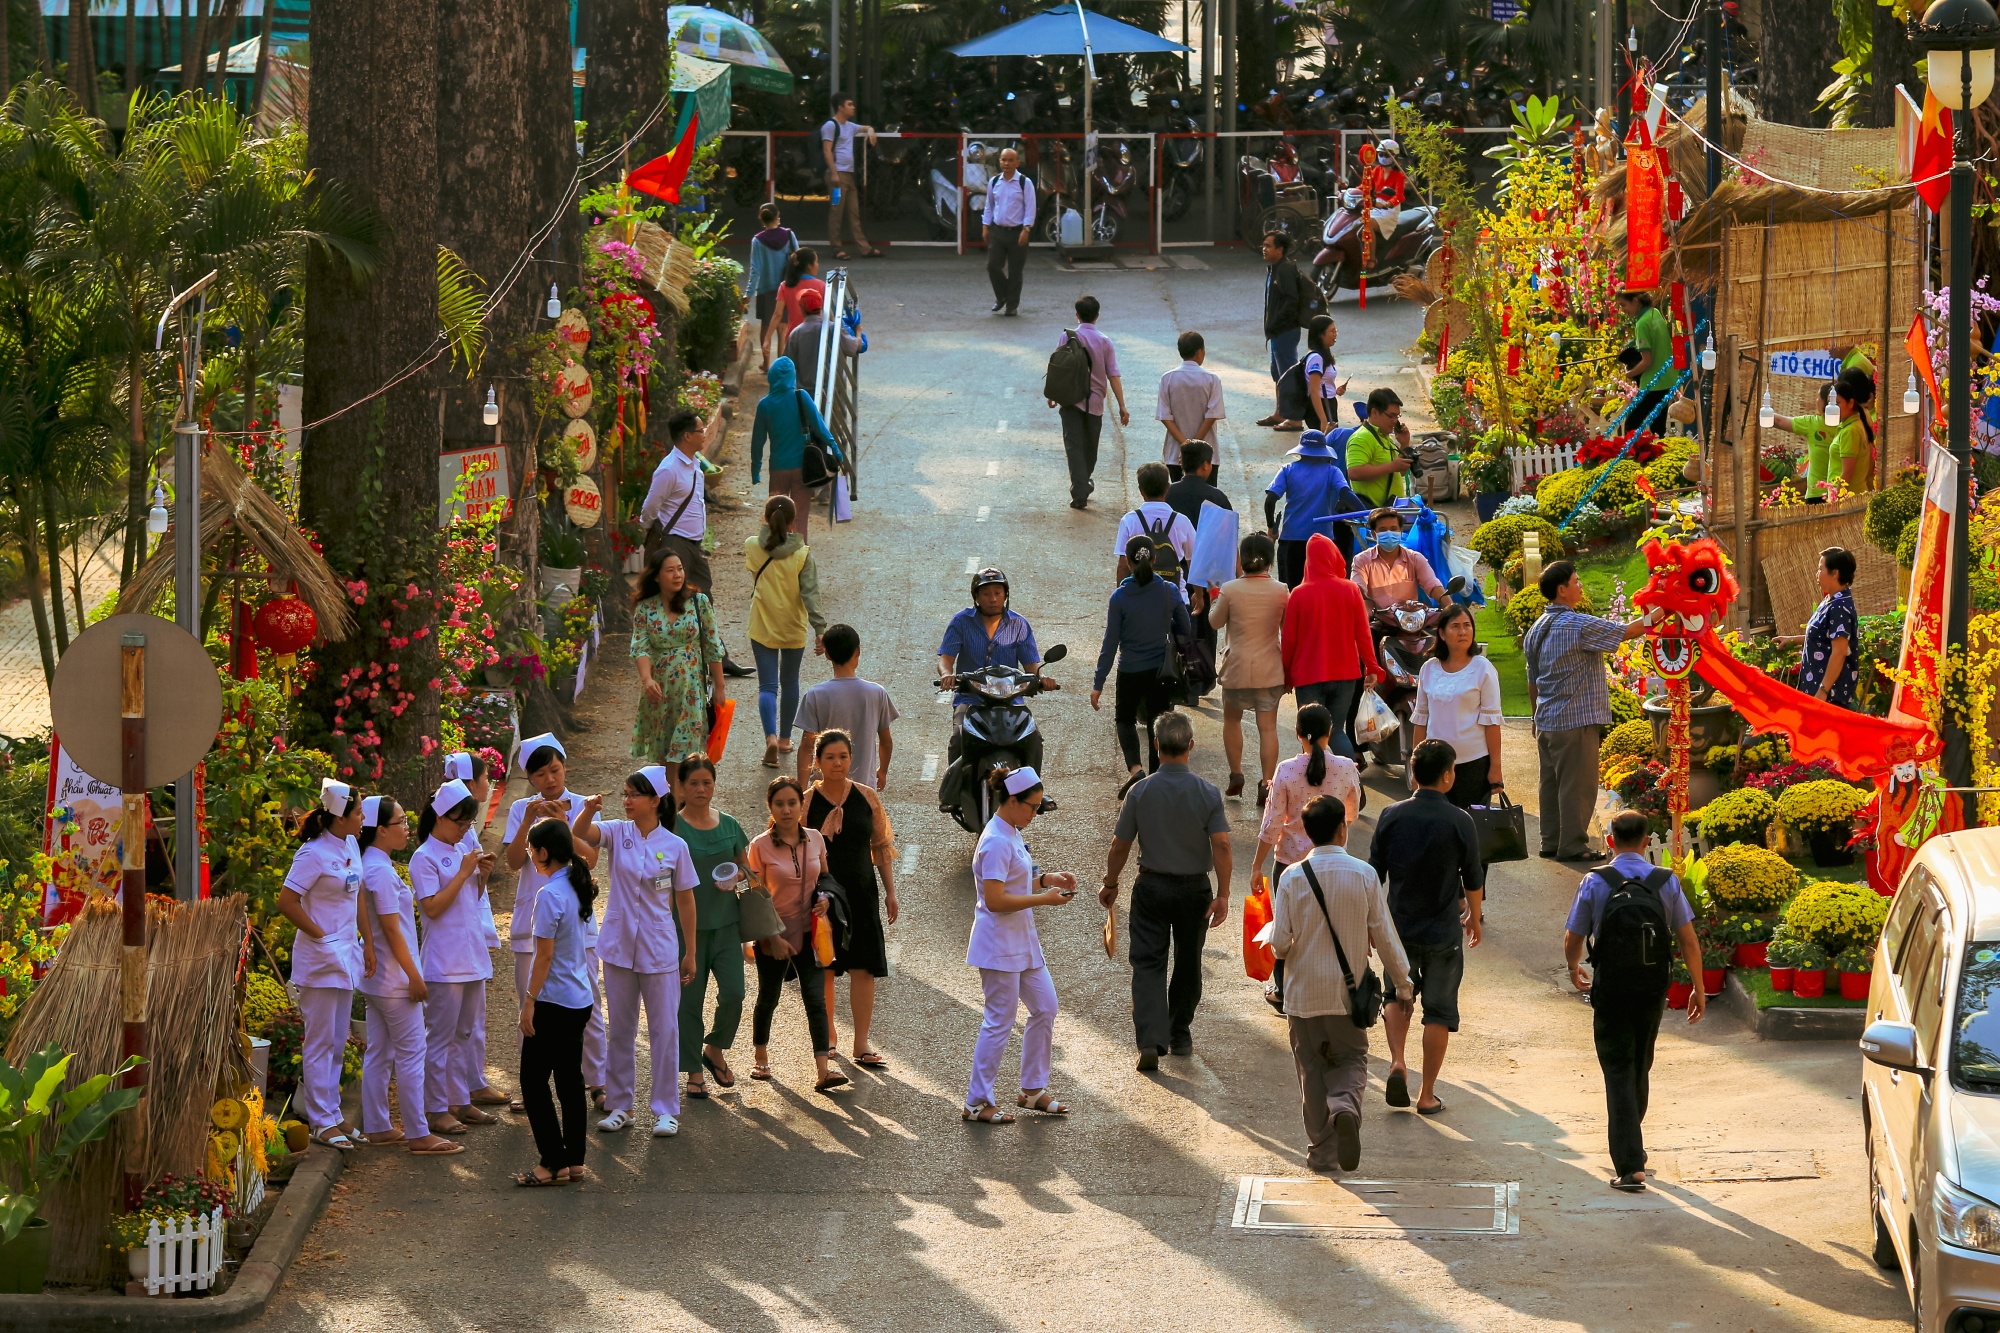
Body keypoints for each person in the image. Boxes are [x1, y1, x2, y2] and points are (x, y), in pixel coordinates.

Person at [1562, 810, 1706, 1192]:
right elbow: (1688, 939)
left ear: (1610, 840)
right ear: (1646, 842)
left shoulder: (1596, 881)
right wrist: (1698, 986)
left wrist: (1573, 966)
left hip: (1611, 985)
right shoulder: (1665, 881)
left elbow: (1574, 935)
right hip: (1652, 984)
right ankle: (1635, 1150)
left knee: (1618, 1067)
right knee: (1640, 1060)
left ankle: (1630, 1166)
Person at [1267, 795, 1413, 1172]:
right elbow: (1384, 936)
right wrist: (1403, 984)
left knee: (1311, 1069)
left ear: (1308, 833)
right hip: (1349, 996)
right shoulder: (1363, 874)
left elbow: (1280, 943)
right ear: (1342, 829)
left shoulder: (1291, 877)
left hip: (1303, 996)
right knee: (1350, 1059)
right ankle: (1345, 1107)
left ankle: (1321, 1151)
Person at [1100, 712, 1231, 1069]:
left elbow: (1119, 846)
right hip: (1195, 891)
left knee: (1147, 963)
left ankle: (1151, 1040)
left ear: (1155, 745)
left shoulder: (1140, 791)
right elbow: (1221, 845)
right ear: (1191, 745)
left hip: (1151, 886)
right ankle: (1180, 1033)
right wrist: (1223, 894)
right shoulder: (1207, 792)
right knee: (1189, 961)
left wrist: (1110, 884)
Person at [573, 766, 699, 1138]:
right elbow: (580, 834)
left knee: (664, 1029)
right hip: (618, 947)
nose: (626, 801)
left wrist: (690, 952)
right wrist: (588, 809)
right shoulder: (617, 832)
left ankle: (664, 1109)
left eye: (633, 795)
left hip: (660, 950)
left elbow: (687, 901)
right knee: (621, 1030)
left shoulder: (676, 846)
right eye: (624, 794)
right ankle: (620, 1106)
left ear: (655, 801)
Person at [1368, 738, 1483, 1118]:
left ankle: (1398, 1061)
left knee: (1397, 994)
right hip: (1442, 931)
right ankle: (1427, 1093)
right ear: (1448, 776)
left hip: (1398, 926)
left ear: (1413, 775)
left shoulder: (1391, 816)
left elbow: (1374, 874)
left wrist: (1373, 924)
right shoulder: (1460, 821)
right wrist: (1475, 917)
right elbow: (1473, 877)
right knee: (1438, 1011)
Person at [963, 766, 1079, 1124]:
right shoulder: (997, 840)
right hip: (999, 945)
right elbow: (996, 899)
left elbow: (1016, 878)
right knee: (999, 1021)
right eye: (1032, 807)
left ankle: (1032, 1091)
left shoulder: (1010, 830)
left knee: (1045, 1006)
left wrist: (1044, 878)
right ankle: (977, 1102)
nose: (1035, 814)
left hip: (1022, 943)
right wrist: (1044, 898)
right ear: (1012, 801)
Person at [1523, 561, 1655, 861]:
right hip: (1576, 720)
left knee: (1551, 783)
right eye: (1575, 580)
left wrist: (1534, 715)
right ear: (1562, 590)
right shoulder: (1577, 624)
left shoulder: (1536, 628)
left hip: (1547, 720)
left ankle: (1550, 841)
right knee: (1577, 787)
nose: (1580, 585)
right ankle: (1572, 846)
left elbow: (1532, 678)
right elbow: (1628, 631)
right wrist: (1666, 609)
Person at [503, 736, 603, 1112]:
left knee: (587, 1001)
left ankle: (596, 1080)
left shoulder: (580, 805)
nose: (550, 779)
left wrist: (565, 826)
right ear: (530, 778)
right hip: (534, 921)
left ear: (565, 766)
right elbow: (514, 862)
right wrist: (530, 820)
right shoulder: (519, 809)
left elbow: (590, 860)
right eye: (541, 774)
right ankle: (531, 1085)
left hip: (577, 923)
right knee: (530, 1007)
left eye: (555, 770)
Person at [357, 798, 461, 1154]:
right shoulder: (381, 872)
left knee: (380, 1052)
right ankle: (419, 1132)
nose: (406, 827)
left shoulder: (371, 865)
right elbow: (392, 929)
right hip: (394, 979)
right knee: (412, 1053)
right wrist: (414, 976)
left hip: (378, 979)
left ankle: (377, 1125)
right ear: (381, 830)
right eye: (400, 821)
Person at [280, 780, 369, 1151]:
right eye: (359, 812)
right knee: (319, 1040)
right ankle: (319, 1121)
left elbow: (357, 894)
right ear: (341, 816)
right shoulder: (312, 854)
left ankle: (332, 1113)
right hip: (320, 960)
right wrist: (323, 936)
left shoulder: (349, 844)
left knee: (336, 1039)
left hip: (347, 956)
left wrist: (370, 943)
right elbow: (286, 902)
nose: (364, 818)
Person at [744, 777, 847, 1094]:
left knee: (816, 1000)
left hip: (811, 935)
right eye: (780, 804)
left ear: (801, 805)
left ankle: (823, 1072)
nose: (787, 809)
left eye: (792, 803)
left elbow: (827, 878)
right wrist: (772, 937)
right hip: (773, 936)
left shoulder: (816, 839)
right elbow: (755, 896)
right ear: (770, 807)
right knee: (769, 998)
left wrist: (826, 899)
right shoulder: (759, 846)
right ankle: (760, 1056)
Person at [807, 730, 899, 1066]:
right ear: (817, 762)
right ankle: (829, 1037)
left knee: (864, 968)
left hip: (862, 894)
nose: (837, 763)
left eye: (843, 757)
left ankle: (862, 1043)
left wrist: (890, 893)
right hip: (823, 898)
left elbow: (881, 847)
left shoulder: (867, 797)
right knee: (827, 967)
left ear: (851, 759)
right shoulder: (804, 801)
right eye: (829, 757)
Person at [514, 817, 598, 1187]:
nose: (531, 856)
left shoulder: (548, 894)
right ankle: (574, 1161)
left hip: (553, 1000)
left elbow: (542, 956)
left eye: (533, 850)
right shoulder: (578, 884)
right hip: (579, 998)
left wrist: (529, 1001)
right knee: (568, 1079)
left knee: (532, 1081)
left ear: (544, 852)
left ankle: (552, 1162)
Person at [414, 780, 498, 1137]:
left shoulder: (463, 846)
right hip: (444, 960)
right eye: (460, 823)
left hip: (471, 953)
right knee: (441, 1037)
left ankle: (460, 1099)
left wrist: (481, 878)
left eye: (468, 825)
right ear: (439, 817)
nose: (465, 831)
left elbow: (470, 899)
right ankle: (435, 1108)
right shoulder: (424, 856)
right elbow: (432, 908)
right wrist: (464, 872)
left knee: (465, 1032)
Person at [674, 755, 751, 1100]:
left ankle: (715, 1048)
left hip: (726, 926)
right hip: (685, 930)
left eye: (707, 782)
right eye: (693, 783)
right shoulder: (672, 829)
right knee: (688, 1002)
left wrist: (738, 881)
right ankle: (693, 1071)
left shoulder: (730, 826)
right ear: (681, 787)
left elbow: (750, 879)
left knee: (735, 993)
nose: (701, 789)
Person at [1093, 534, 1195, 789]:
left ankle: (1135, 769)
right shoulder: (1168, 591)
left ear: (1128, 562)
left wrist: (1098, 682)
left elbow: (1110, 643)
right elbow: (1185, 627)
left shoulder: (1120, 597)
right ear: (1155, 558)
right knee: (1156, 723)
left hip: (1130, 670)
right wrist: (1163, 624)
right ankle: (1155, 779)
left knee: (1125, 719)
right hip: (1161, 671)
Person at [440, 751, 509, 1112]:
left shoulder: (464, 830)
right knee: (454, 1026)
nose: (489, 785)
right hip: (453, 943)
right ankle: (457, 1092)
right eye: (485, 779)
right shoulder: (444, 840)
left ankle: (471, 1082)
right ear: (468, 785)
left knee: (470, 1019)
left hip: (469, 931)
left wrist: (481, 874)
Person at [937, 567, 1053, 781]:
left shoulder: (1019, 624)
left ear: (1005, 595)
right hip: (971, 698)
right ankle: (954, 789)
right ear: (976, 597)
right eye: (986, 593)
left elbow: (1031, 666)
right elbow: (946, 658)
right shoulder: (961, 622)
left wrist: (1041, 680)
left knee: (1034, 738)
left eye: (998, 593)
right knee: (958, 737)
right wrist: (947, 674)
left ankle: (1033, 789)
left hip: (1011, 700)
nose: (993, 599)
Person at [631, 551, 727, 802]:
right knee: (664, 754)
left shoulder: (698, 602)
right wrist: (647, 679)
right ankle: (669, 806)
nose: (677, 575)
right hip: (660, 692)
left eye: (680, 568)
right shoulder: (645, 608)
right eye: (670, 570)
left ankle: (680, 806)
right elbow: (640, 647)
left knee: (684, 753)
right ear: (656, 576)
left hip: (691, 690)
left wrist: (719, 685)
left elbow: (712, 645)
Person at [1281, 533, 1380, 768]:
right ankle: (1349, 781)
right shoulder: (1350, 590)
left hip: (1307, 677)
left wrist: (1286, 676)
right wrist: (1371, 666)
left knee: (1311, 734)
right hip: (1345, 674)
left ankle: (1314, 785)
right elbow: (1363, 633)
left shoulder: (1299, 594)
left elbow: (1289, 641)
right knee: (1336, 731)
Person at [745, 495, 828, 770]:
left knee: (768, 685)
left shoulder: (753, 547)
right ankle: (783, 739)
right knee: (790, 682)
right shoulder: (803, 554)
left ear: (765, 518)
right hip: (793, 627)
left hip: (763, 625)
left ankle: (769, 736)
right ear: (794, 521)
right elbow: (811, 595)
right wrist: (819, 629)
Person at [1211, 532, 1290, 799]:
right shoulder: (1281, 591)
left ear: (1241, 559)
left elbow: (1215, 622)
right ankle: (1266, 784)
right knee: (1268, 728)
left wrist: (1214, 595)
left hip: (1237, 668)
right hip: (1270, 669)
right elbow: (1287, 632)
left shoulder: (1230, 589)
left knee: (1232, 720)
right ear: (1270, 561)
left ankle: (1236, 774)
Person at [1254, 702, 1363, 893]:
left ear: (1298, 732)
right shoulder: (1346, 768)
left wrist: (1256, 866)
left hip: (1289, 865)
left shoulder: (1286, 769)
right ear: (1330, 731)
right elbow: (1351, 814)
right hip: (1333, 864)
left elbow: (1273, 823)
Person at [1409, 604, 1505, 810]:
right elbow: (1420, 720)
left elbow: (1492, 722)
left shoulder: (1483, 669)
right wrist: (1415, 767)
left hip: (1473, 764)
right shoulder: (1429, 668)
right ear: (1442, 633)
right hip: (1434, 764)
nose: (1463, 631)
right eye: (1455, 626)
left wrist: (1495, 768)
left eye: (1467, 625)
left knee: (1469, 827)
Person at [795, 624, 899, 791]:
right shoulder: (877, 693)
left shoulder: (815, 695)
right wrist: (882, 771)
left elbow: (807, 746)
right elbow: (886, 741)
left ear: (827, 654)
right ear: (857, 651)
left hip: (824, 788)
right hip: (864, 787)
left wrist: (801, 789)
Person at [1048, 295, 1128, 510]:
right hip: (1095, 403)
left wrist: (1052, 394)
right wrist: (1122, 405)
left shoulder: (1067, 337)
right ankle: (1081, 489)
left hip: (1070, 400)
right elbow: (1113, 375)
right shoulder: (1104, 341)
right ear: (1097, 316)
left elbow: (1058, 367)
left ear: (1077, 315)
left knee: (1074, 447)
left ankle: (1081, 485)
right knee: (1090, 448)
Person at [749, 356, 840, 541]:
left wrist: (756, 468)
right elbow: (819, 425)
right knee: (799, 516)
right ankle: (800, 556)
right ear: (792, 376)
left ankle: (777, 551)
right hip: (802, 468)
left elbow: (757, 441)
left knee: (777, 515)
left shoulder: (765, 405)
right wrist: (834, 445)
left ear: (772, 377)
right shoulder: (801, 397)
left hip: (778, 468)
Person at [638, 408, 712, 592]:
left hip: (695, 544)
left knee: (703, 597)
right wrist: (651, 528)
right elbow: (650, 506)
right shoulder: (669, 469)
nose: (704, 435)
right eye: (700, 431)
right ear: (687, 436)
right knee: (676, 598)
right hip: (675, 543)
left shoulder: (695, 463)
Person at [1265, 432, 1350, 587]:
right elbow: (1346, 493)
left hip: (1292, 539)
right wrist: (1367, 514)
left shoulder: (1287, 470)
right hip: (1323, 542)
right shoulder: (1332, 471)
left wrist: (1272, 527)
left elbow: (1270, 500)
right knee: (1322, 588)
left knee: (1291, 588)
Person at [1114, 462, 1196, 589]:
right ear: (1168, 488)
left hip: (1139, 595)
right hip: (1174, 595)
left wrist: (1121, 595)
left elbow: (1123, 565)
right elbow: (1193, 562)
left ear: (1141, 490)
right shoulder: (1182, 521)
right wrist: (1199, 595)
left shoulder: (1130, 520)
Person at [1156, 331, 1225, 479]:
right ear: (1200, 351)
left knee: (1178, 497)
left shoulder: (1167, 378)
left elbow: (1165, 416)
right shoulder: (1212, 379)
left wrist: (1185, 444)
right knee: (1205, 499)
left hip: (1176, 454)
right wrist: (1194, 445)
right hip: (1206, 455)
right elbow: (1212, 416)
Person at [821, 95, 882, 260]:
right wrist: (833, 172)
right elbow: (827, 150)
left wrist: (870, 130)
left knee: (853, 212)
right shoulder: (830, 125)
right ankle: (836, 247)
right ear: (840, 107)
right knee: (836, 211)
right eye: (849, 104)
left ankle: (864, 248)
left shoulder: (849, 126)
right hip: (838, 175)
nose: (853, 107)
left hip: (848, 174)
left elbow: (864, 127)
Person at [1257, 232, 1307, 431]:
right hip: (1277, 332)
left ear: (1280, 249)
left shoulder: (1285, 270)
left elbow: (1291, 300)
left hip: (1285, 331)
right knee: (1278, 373)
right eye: (1264, 245)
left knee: (1288, 375)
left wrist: (1276, 323)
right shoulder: (1275, 269)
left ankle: (1294, 419)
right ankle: (1280, 413)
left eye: (1269, 246)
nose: (1264, 249)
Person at [1797, 546, 1859, 707]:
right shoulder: (1830, 600)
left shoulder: (1839, 606)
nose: (1817, 574)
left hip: (1830, 696)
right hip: (1818, 690)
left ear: (1835, 573)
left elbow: (1839, 651)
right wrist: (1792, 640)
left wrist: (1822, 691)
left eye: (1820, 569)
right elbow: (1826, 637)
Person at [1351, 507, 1446, 611]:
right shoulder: (1361, 560)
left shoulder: (1415, 559)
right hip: (1375, 620)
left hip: (1410, 621)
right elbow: (1357, 591)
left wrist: (1449, 605)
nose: (1389, 534)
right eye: (1383, 530)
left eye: (1393, 529)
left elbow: (1432, 584)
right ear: (1374, 534)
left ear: (1400, 531)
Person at [744, 203, 798, 372]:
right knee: (782, 329)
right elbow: (799, 258)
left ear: (761, 218)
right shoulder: (789, 235)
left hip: (766, 289)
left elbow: (755, 269)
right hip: (786, 286)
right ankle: (781, 365)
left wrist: (749, 293)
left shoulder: (757, 240)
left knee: (766, 326)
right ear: (778, 216)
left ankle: (766, 364)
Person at [982, 147, 1035, 315]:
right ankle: (1002, 296)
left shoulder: (1024, 183)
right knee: (992, 266)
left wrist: (1026, 229)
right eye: (1003, 160)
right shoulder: (994, 182)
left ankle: (1012, 306)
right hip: (998, 231)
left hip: (1017, 231)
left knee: (1015, 270)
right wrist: (985, 226)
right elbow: (989, 205)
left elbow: (1030, 207)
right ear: (999, 162)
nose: (1006, 163)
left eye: (1010, 160)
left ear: (1017, 163)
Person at [1617, 290, 1675, 433]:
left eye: (1624, 305)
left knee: (1631, 424)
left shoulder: (1642, 324)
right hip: (1667, 378)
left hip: (1653, 383)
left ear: (1635, 300)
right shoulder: (1655, 313)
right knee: (1657, 427)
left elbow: (1647, 361)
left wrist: (1629, 374)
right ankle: (1656, 454)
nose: (1623, 310)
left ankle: (1635, 455)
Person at [1345, 389, 1413, 510]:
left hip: (1389, 513)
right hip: (1372, 516)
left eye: (1397, 416)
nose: (1395, 421)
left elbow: (1400, 471)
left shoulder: (1384, 437)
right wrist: (1392, 466)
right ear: (1374, 412)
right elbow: (1354, 472)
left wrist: (1404, 443)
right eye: (1391, 416)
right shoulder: (1361, 438)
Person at [784, 286, 866, 386]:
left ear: (801, 308)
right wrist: (858, 332)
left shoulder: (795, 334)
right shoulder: (833, 328)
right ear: (821, 308)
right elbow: (854, 346)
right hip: (833, 392)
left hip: (806, 393)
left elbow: (787, 365)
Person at [1775, 396, 1837, 503]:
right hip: (1839, 492)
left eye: (1818, 397)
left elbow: (1778, 421)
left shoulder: (1812, 423)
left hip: (1816, 494)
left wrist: (1758, 412)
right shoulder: (1846, 425)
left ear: (1825, 402)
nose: (1816, 400)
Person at [1829, 365, 1877, 493]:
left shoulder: (1853, 426)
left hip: (1848, 495)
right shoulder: (1861, 416)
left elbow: (1848, 473)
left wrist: (1836, 500)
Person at [1165, 440, 1230, 530]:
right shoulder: (1217, 497)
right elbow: (1229, 531)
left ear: (1181, 462)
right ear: (1205, 465)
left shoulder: (1166, 493)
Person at [1302, 314, 1344, 433]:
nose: (1335, 334)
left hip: (1328, 403)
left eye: (1336, 330)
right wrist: (1324, 420)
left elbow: (1323, 384)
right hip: (1323, 407)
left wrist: (1335, 391)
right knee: (1325, 445)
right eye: (1332, 331)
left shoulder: (1323, 355)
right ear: (1321, 334)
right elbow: (1314, 391)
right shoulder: (1316, 358)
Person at [776, 249, 826, 343]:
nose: (817, 265)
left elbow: (778, 314)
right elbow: (828, 314)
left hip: (792, 337)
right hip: (815, 337)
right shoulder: (821, 286)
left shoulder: (785, 286)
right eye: (816, 262)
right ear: (809, 266)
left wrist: (767, 338)